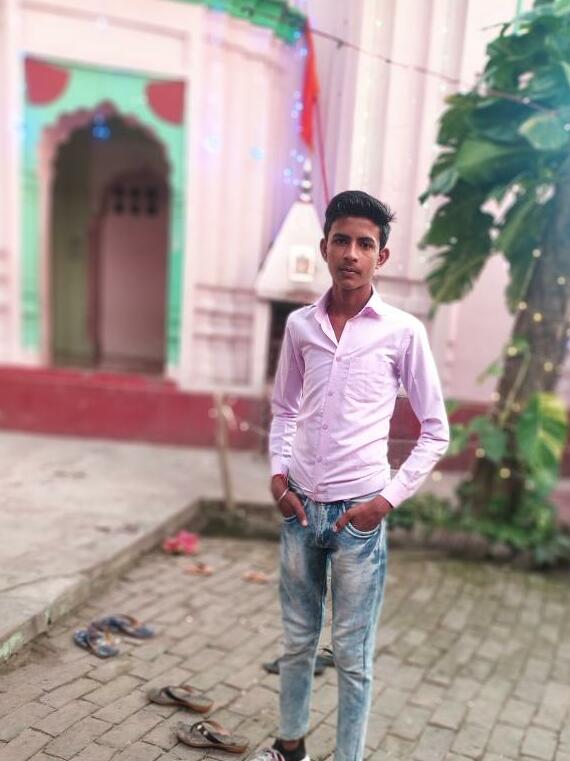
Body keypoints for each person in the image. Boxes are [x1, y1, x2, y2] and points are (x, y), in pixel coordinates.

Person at [250, 190, 449, 761]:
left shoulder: (402, 332)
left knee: (353, 656)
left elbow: (436, 430)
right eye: (342, 240)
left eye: (365, 244)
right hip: (298, 509)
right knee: (296, 642)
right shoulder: (300, 327)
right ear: (325, 247)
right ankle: (289, 746)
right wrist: (278, 477)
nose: (351, 254)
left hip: (357, 518)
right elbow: (284, 408)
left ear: (381, 256)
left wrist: (384, 502)